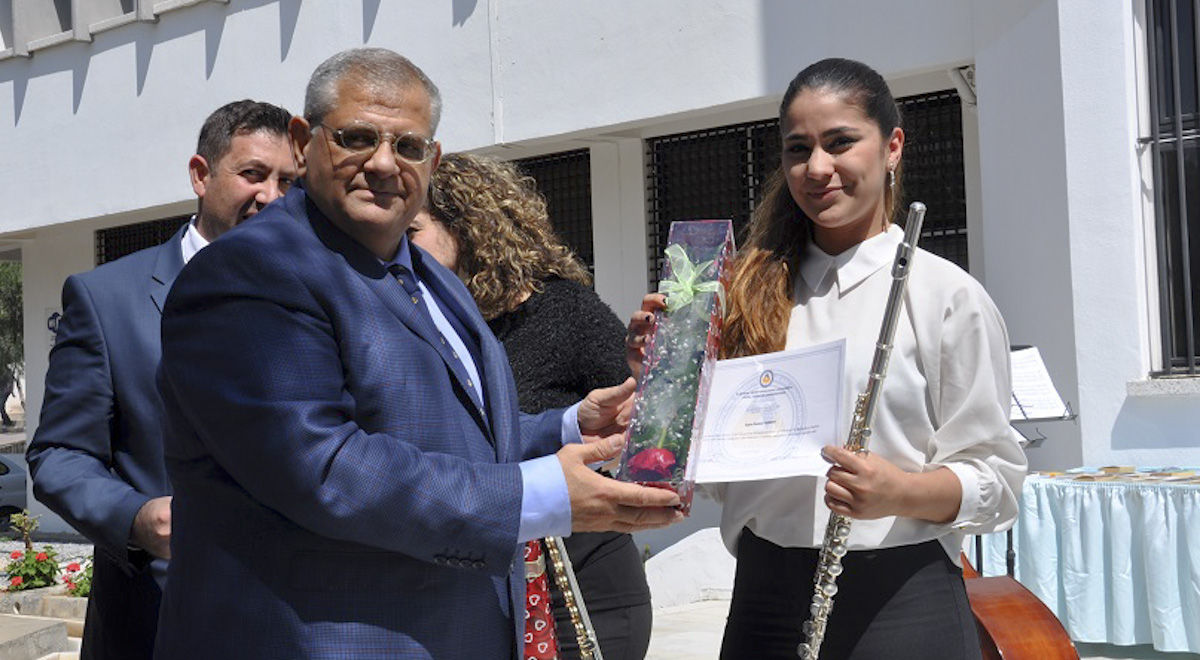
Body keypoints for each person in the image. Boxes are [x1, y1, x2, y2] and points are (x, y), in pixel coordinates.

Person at [153, 48, 681, 659]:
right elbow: (326, 467)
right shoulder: (248, 273)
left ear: (432, 160)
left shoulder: (432, 279)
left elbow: (446, 435)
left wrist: (569, 426)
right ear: (302, 143)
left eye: (407, 146)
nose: (383, 162)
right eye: (356, 137)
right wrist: (539, 495)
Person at [628, 58, 1027, 659]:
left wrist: (900, 492)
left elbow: (997, 481)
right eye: (799, 149)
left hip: (902, 605)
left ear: (892, 147)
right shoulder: (739, 294)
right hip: (763, 604)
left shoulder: (947, 296)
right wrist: (664, 387)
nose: (817, 168)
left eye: (840, 142)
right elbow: (715, 479)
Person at [25, 100, 297, 660]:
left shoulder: (321, 294)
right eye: (253, 174)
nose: (271, 196)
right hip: (156, 623)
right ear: (201, 175)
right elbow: (59, 454)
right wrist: (136, 518)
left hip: (295, 622)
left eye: (288, 181)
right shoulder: (106, 299)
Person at [410, 152, 653, 659]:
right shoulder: (423, 327)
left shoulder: (564, 310)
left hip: (584, 588)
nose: (397, 247)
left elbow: (638, 423)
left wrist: (645, 376)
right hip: (479, 593)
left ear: (468, 230)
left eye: (412, 231)